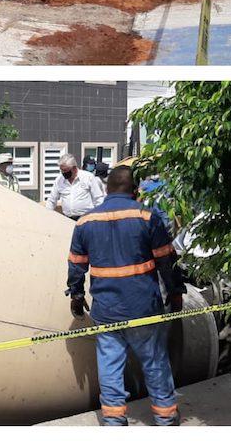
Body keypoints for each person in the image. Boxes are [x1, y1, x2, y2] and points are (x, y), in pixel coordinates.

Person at [66, 165, 185, 427]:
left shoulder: (85, 222)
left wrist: (76, 295)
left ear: (106, 189)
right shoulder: (147, 217)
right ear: (135, 190)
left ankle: (114, 421)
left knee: (110, 366)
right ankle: (165, 419)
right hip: (143, 307)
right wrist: (176, 293)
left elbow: (76, 265)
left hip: (106, 310)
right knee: (154, 362)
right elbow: (166, 261)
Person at [45, 154, 105, 220]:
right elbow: (52, 200)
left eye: (65, 170)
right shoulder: (59, 180)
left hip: (86, 218)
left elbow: (98, 199)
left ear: (74, 168)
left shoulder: (88, 177)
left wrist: (99, 218)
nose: (62, 172)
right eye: (61, 170)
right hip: (67, 219)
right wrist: (46, 215)